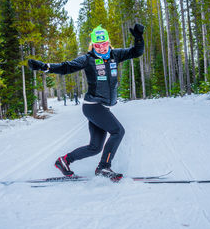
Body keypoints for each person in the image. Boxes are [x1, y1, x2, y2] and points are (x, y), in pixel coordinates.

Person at [28, 23, 144, 181]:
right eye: (97, 45)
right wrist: (45, 67)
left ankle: (64, 161)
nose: (101, 48)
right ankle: (103, 167)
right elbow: (66, 67)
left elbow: (136, 52)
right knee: (118, 131)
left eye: (104, 45)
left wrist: (138, 38)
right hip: (93, 106)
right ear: (93, 45)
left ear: (108, 43)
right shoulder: (88, 59)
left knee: (95, 147)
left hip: (102, 107)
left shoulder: (115, 55)